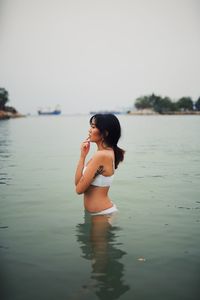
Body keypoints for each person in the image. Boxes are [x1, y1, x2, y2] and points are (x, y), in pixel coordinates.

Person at [75, 113, 125, 216]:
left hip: (102, 214)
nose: (89, 130)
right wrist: (82, 156)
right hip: (99, 213)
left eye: (93, 127)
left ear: (105, 133)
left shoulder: (101, 155)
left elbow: (79, 190)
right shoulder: (104, 153)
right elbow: (78, 183)